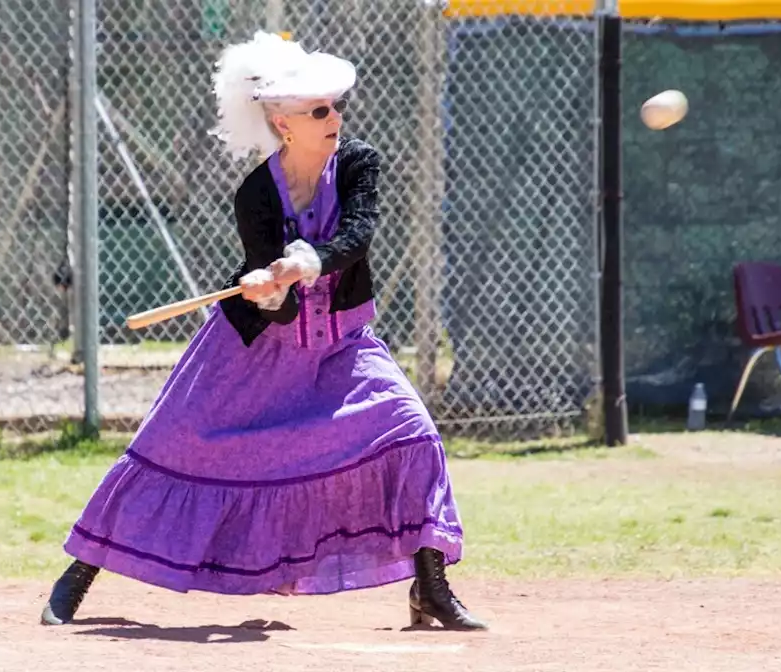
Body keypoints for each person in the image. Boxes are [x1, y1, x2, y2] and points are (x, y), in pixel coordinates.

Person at [38, 31, 486, 632]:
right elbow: (272, 302)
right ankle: (79, 574)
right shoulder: (255, 192)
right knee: (170, 445)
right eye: (318, 110)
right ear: (283, 124)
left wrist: (311, 261)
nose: (335, 117)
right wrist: (272, 288)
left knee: (412, 432)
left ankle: (430, 587)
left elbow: (358, 235)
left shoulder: (357, 162)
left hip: (341, 347)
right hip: (255, 351)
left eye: (335, 106)